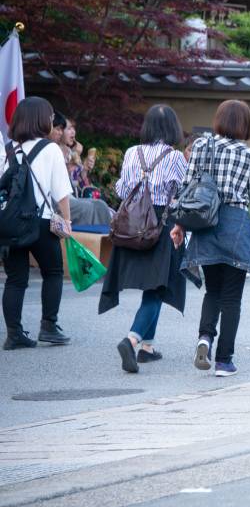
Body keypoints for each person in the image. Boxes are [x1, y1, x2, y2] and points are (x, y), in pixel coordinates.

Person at [171, 100, 250, 377]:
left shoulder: (201, 147)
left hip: (206, 224)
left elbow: (188, 188)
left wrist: (179, 224)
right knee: (232, 297)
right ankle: (224, 361)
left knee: (212, 291)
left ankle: (204, 338)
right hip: (236, 227)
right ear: (245, 125)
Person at [99, 105, 188, 373]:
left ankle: (147, 347)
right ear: (172, 127)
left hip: (133, 224)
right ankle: (132, 339)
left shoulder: (131, 153)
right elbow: (184, 191)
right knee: (158, 287)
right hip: (161, 225)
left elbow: (121, 188)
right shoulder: (174, 157)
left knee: (153, 286)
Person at [1, 97, 73, 349]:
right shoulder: (50, 148)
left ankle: (14, 334)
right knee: (52, 272)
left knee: (15, 279)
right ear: (41, 119)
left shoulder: (8, 150)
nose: (53, 121)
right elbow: (61, 191)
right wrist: (67, 220)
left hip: (10, 224)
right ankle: (49, 326)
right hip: (41, 222)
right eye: (50, 116)